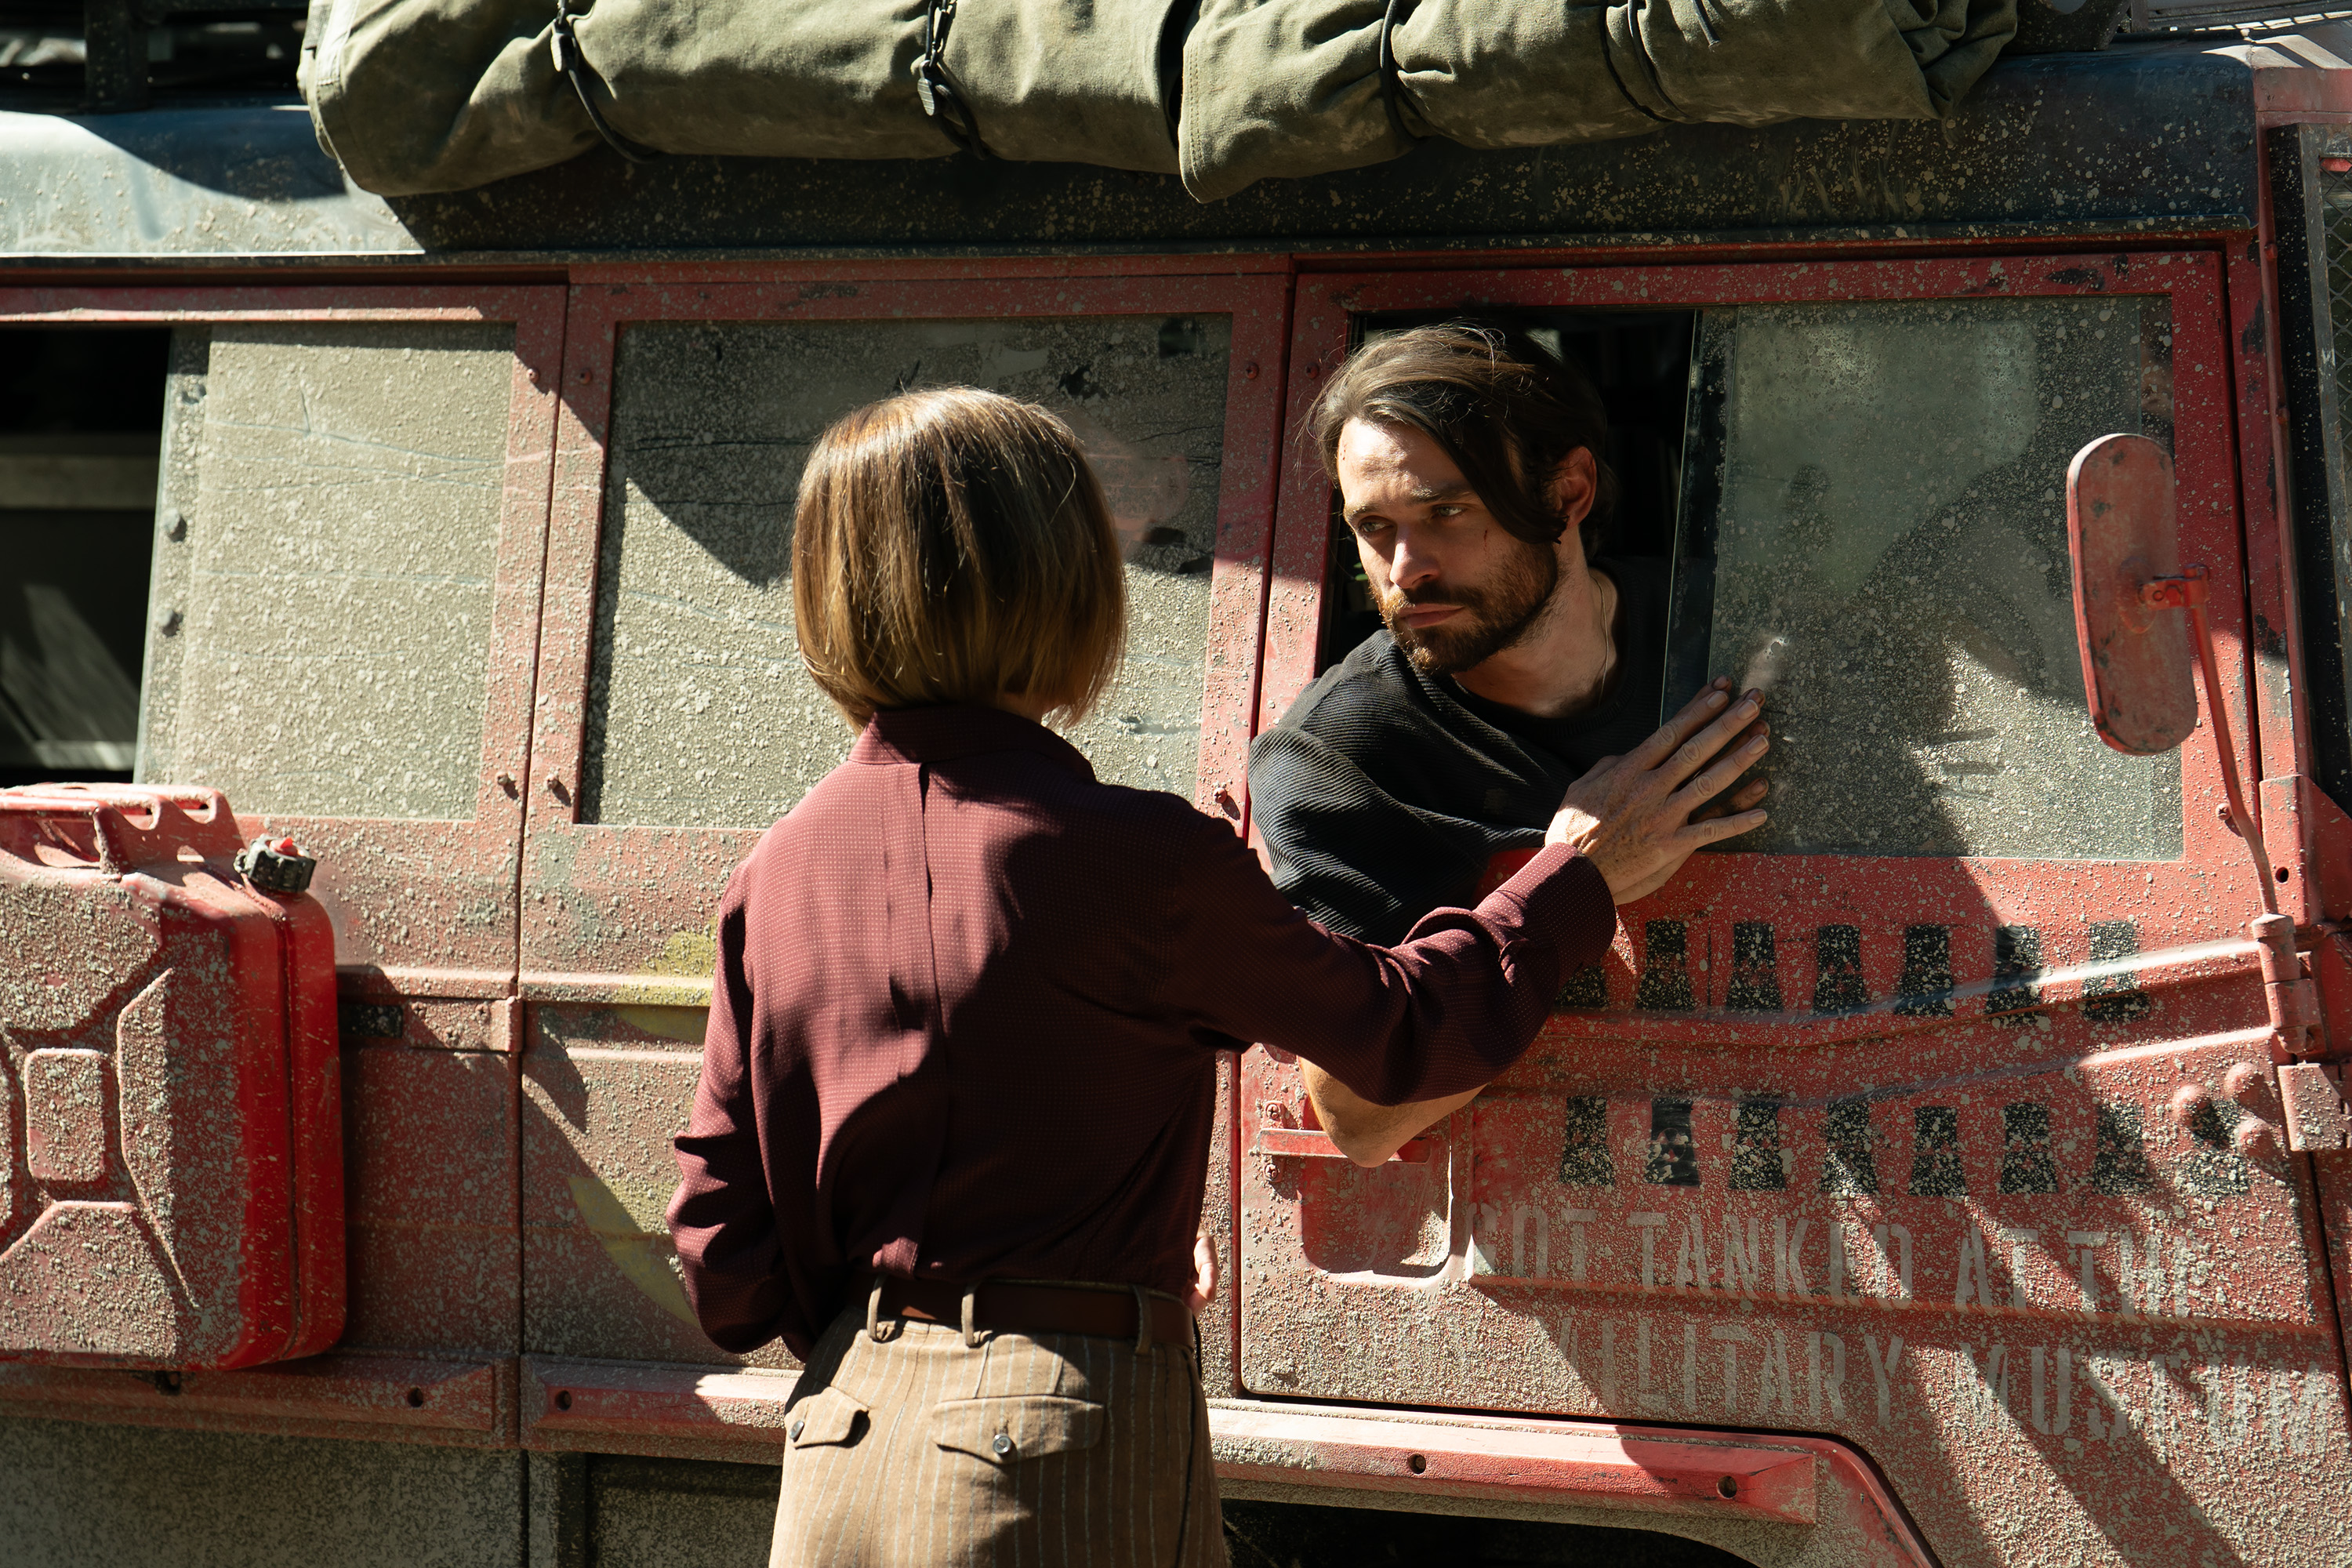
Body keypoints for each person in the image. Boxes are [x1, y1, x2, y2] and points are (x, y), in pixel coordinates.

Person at [664, 386, 1767, 1568]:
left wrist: (910, 1321)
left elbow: (725, 1261)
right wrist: (1575, 872)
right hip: (1052, 1444)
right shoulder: (1134, 856)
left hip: (838, 1455)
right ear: (1068, 587)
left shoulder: (775, 870)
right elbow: (1400, 1039)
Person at [1247, 321, 1772, 1164]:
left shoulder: (1731, 633)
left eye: (1447, 511)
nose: (1406, 567)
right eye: (1373, 528)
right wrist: (1575, 882)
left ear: (1569, 491)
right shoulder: (1339, 753)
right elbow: (1358, 1113)